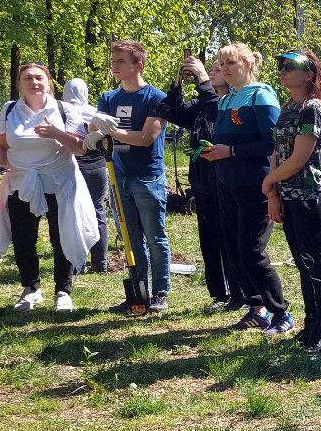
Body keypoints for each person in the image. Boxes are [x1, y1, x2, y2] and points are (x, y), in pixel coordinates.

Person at [199, 43, 293, 336]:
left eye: (231, 63)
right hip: (226, 183)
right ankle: (257, 310)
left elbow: (271, 144)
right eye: (221, 64)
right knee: (232, 247)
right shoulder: (226, 99)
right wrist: (214, 151)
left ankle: (282, 313)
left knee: (251, 250)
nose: (225, 69)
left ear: (249, 65)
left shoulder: (261, 95)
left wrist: (231, 152)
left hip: (256, 184)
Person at [0, 62, 99, 311]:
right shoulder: (9, 111)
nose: (34, 82)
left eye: (39, 78)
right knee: (23, 238)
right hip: (21, 182)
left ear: (49, 82)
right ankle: (31, 289)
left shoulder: (64, 109)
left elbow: (80, 147)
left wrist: (54, 133)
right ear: (19, 84)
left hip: (59, 181)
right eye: (28, 78)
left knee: (61, 236)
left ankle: (63, 290)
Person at [159, 56, 246, 311]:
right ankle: (220, 294)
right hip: (202, 182)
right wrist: (177, 84)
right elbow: (169, 111)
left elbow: (217, 113)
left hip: (226, 181)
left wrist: (204, 82)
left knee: (229, 238)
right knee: (208, 241)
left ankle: (240, 293)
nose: (212, 72)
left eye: (219, 69)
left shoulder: (231, 103)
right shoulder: (201, 103)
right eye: (211, 69)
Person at [262, 50, 321, 355]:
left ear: (308, 74)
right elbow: (278, 153)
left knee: (314, 264)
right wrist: (274, 194)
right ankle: (309, 326)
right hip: (288, 197)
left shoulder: (312, 109)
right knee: (302, 266)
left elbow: (299, 158)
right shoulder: (287, 107)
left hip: (307, 197)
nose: (282, 71)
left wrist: (267, 182)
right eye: (280, 66)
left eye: (289, 67)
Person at [89, 40, 170, 313]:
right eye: (113, 60)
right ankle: (139, 290)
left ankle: (160, 292)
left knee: (154, 237)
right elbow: (94, 128)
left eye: (121, 61)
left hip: (147, 177)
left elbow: (146, 138)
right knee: (130, 237)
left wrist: (111, 131)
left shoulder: (156, 98)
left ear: (138, 65)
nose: (115, 65)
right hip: (118, 176)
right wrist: (97, 127)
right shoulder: (109, 98)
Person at [61, 79, 109, 276]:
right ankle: (100, 262)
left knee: (72, 213)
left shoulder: (61, 113)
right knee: (98, 210)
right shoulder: (97, 114)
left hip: (73, 167)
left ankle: (75, 263)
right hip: (97, 167)